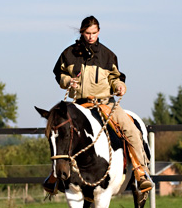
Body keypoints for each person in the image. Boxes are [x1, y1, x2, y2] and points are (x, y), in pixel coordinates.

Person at [44, 15, 152, 194]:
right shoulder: (68, 54)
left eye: (94, 33)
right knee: (61, 132)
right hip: (79, 105)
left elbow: (116, 78)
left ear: (99, 32)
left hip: (105, 104)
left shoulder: (108, 55)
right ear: (82, 32)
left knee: (131, 130)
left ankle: (141, 172)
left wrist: (119, 86)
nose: (91, 36)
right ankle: (54, 176)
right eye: (87, 33)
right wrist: (68, 81)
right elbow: (59, 75)